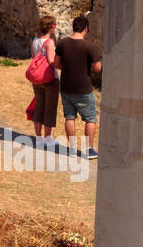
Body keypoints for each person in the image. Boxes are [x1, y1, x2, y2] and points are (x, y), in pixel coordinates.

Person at [55, 15, 102, 160]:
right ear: (86, 29)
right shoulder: (90, 47)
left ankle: (73, 148)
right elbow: (97, 68)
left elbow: (56, 63)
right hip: (83, 88)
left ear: (73, 27)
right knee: (90, 119)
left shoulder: (62, 43)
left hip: (66, 86)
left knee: (70, 117)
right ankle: (89, 149)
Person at [29, 15, 60, 148]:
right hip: (49, 78)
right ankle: (48, 138)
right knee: (50, 108)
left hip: (37, 78)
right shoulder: (50, 42)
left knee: (39, 106)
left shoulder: (35, 40)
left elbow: (33, 57)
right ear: (52, 27)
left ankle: (38, 138)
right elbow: (51, 61)